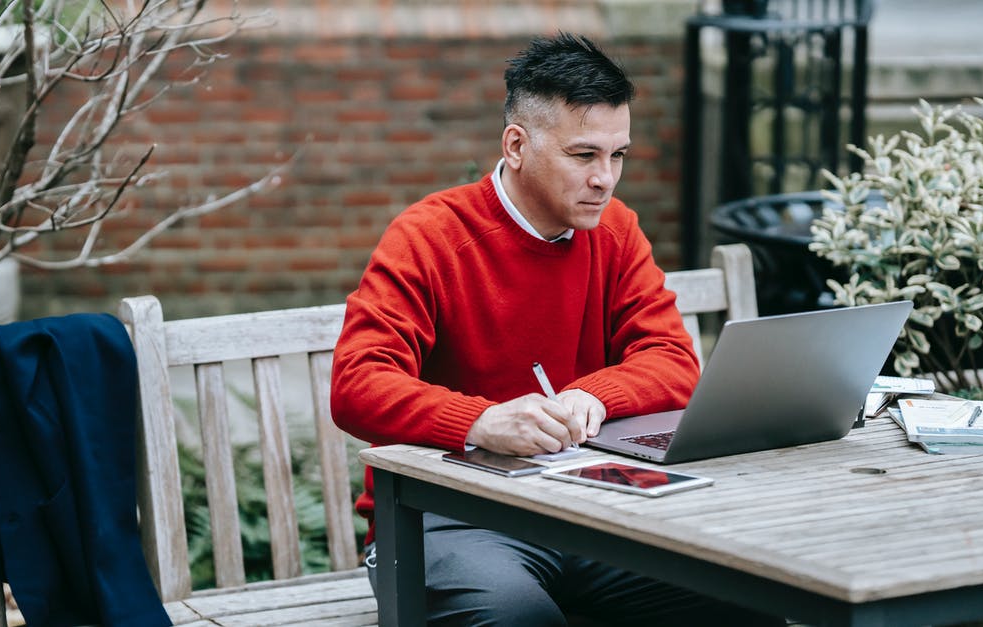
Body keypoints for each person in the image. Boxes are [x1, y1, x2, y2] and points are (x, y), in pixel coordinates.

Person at [331, 32, 781, 625]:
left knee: (750, 598)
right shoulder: (430, 236)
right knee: (516, 617)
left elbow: (673, 359)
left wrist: (590, 394)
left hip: (589, 508)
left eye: (618, 154)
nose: (606, 178)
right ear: (517, 146)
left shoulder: (614, 231)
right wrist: (482, 421)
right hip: (448, 516)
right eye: (584, 155)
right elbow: (358, 384)